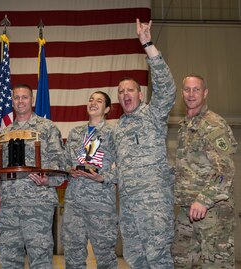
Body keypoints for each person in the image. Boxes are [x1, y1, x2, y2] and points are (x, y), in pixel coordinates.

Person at [112, 19, 176, 268]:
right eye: (120, 91)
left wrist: (147, 44)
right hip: (128, 207)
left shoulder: (153, 114)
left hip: (153, 205)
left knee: (158, 259)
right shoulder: (119, 128)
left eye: (130, 90)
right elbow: (117, 168)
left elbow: (167, 88)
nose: (125, 94)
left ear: (140, 94)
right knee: (136, 260)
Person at [0, 84, 66, 269]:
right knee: (9, 259)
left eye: (25, 97)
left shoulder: (47, 128)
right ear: (12, 101)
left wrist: (48, 180)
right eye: (16, 97)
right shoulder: (4, 133)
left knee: (40, 258)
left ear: (32, 100)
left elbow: (61, 163)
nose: (20, 101)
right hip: (9, 205)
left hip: (38, 204)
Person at [172, 75, 238, 268]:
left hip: (213, 210)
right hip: (188, 209)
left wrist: (204, 199)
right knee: (181, 259)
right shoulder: (186, 126)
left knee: (216, 263)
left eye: (196, 89)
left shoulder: (213, 124)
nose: (191, 94)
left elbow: (225, 170)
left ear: (205, 93)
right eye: (187, 89)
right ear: (182, 93)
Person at [63, 91, 118, 269]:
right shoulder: (75, 133)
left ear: (107, 108)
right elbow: (63, 161)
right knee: (73, 253)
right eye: (91, 100)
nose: (93, 103)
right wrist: (68, 170)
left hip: (100, 203)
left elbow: (125, 167)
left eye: (99, 101)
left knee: (105, 256)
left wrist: (103, 177)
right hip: (74, 202)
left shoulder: (114, 133)